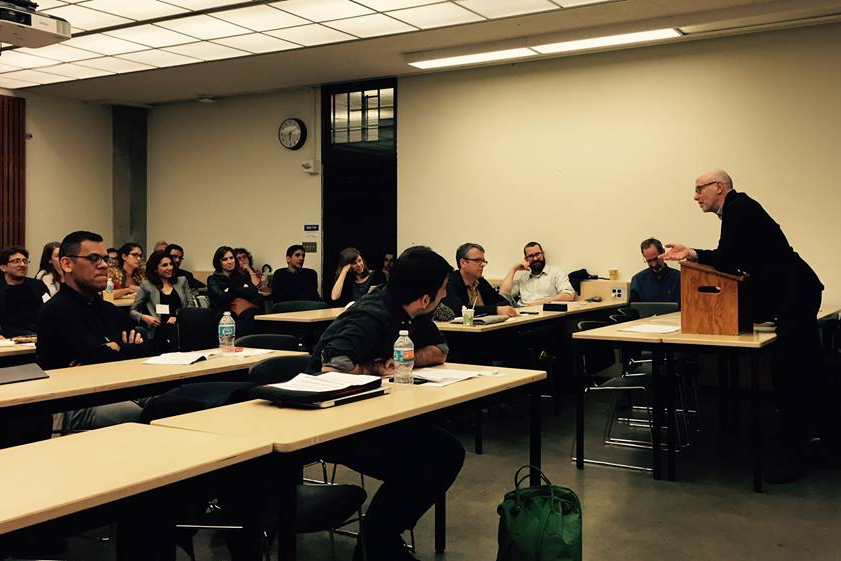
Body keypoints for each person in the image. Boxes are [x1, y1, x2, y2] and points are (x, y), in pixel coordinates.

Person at [661, 169, 824, 483]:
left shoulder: (738, 208)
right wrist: (693, 253)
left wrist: (694, 254)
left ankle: (795, 457)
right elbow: (731, 258)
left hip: (795, 294)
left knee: (790, 374)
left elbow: (727, 260)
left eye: (699, 189)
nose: (695, 196)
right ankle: (802, 447)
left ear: (718, 187)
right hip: (793, 293)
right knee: (791, 372)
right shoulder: (736, 210)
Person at [308, 246, 464, 561]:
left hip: (377, 413)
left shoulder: (411, 313)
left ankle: (381, 537)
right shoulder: (371, 314)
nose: (445, 296)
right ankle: (377, 544)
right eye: (443, 290)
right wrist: (373, 368)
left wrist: (403, 359)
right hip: (334, 422)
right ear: (425, 297)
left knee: (448, 452)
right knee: (416, 467)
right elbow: (332, 367)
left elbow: (441, 348)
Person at [36, 231, 157, 430]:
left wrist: (116, 349)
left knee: (174, 401)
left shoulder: (108, 309)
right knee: (144, 416)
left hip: (120, 386)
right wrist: (121, 349)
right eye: (93, 259)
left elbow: (150, 349)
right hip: (76, 402)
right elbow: (100, 356)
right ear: (67, 264)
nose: (103, 265)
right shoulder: (56, 311)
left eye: (104, 259)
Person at [130, 251, 196, 351]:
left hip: (181, 326)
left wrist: (178, 316)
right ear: (155, 269)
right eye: (165, 265)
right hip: (158, 329)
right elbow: (132, 311)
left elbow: (190, 304)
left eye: (171, 264)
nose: (170, 268)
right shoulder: (147, 285)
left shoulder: (182, 281)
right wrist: (144, 317)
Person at [441, 242, 517, 318]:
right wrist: (495, 310)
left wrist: (490, 309)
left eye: (483, 261)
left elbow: (504, 303)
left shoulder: (481, 282)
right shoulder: (450, 282)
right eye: (477, 260)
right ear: (463, 263)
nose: (482, 265)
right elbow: (458, 310)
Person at [500, 241, 576, 306]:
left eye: (537, 254)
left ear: (543, 254)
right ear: (526, 259)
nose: (535, 258)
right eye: (531, 256)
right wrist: (513, 269)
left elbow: (568, 295)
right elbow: (503, 295)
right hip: (522, 313)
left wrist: (541, 303)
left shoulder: (555, 272)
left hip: (545, 313)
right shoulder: (522, 277)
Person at [207, 246, 261, 336]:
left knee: (253, 314)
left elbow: (253, 292)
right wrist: (241, 290)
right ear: (219, 262)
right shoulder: (213, 279)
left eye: (231, 258)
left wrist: (231, 290)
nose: (229, 262)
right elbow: (222, 298)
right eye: (225, 259)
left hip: (244, 311)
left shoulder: (241, 275)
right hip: (223, 313)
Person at [0, 246, 48, 337]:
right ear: (3, 267)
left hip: (37, 338)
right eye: (16, 261)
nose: (22, 265)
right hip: (6, 341)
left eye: (25, 261)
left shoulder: (38, 286)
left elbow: (49, 311)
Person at [629, 237, 681, 305]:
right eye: (649, 261)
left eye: (656, 259)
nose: (654, 264)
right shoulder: (638, 280)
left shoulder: (678, 278)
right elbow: (633, 310)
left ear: (663, 253)